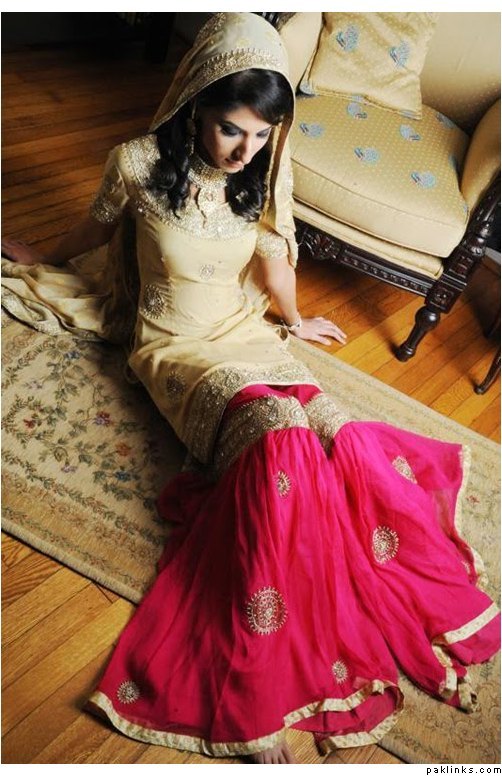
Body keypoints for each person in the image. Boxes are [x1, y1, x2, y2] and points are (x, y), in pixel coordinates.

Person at [1, 12, 500, 766]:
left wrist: (293, 321)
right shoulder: (136, 163)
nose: (246, 151)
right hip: (176, 348)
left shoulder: (260, 172)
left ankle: (413, 610)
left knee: (341, 436)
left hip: (245, 331)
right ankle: (262, 677)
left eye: (262, 135)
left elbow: (271, 260)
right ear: (195, 106)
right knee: (277, 440)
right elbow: (95, 234)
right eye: (232, 129)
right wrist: (40, 256)